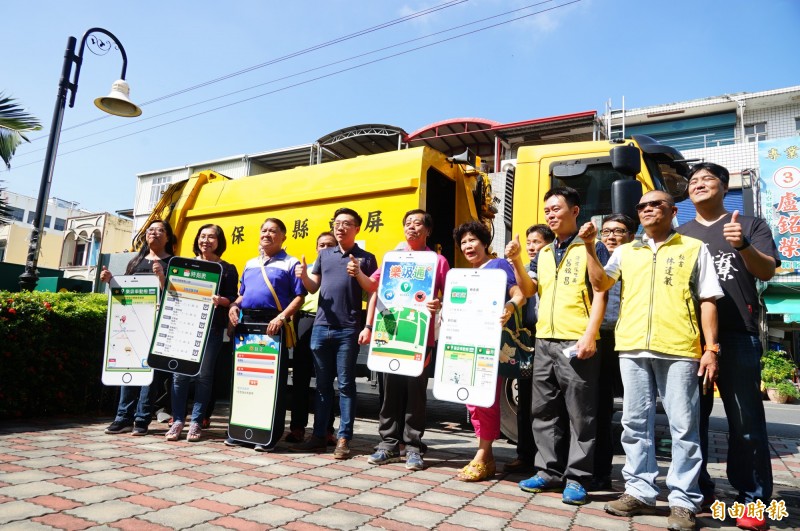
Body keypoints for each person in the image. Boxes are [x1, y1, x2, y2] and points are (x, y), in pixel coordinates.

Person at [582, 190, 723, 531]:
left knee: (683, 427)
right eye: (641, 206)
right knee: (634, 424)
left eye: (654, 204)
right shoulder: (627, 251)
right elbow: (600, 283)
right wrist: (589, 247)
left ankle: (683, 501)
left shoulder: (692, 248)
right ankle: (640, 492)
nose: (646, 210)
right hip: (631, 346)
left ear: (672, 210)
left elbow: (708, 299)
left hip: (678, 347)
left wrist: (711, 348)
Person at [677, 162, 779, 531]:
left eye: (707, 179)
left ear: (724, 186)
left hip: (737, 334)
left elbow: (767, 271)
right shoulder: (681, 234)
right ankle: (699, 490)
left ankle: (752, 501)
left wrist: (743, 245)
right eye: (693, 181)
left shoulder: (750, 225)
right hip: (687, 340)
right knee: (690, 421)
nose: (698, 184)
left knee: (745, 421)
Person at [517, 187, 608, 506]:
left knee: (580, 414)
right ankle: (548, 472)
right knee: (543, 409)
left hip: (576, 339)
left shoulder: (590, 246)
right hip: (545, 338)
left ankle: (578, 477)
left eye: (557, 208)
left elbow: (601, 291)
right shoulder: (542, 254)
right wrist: (516, 260)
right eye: (547, 211)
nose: (551, 215)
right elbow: (529, 290)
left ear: (575, 211)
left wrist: (589, 334)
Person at [361, 209, 449, 471]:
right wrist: (356, 273)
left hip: (420, 336)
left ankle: (413, 447)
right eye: (408, 223)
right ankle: (388, 445)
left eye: (418, 223)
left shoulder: (437, 260)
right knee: (390, 393)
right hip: (389, 333)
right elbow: (372, 287)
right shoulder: (392, 259)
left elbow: (451, 292)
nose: (412, 227)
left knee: (415, 394)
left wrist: (439, 303)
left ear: (428, 230)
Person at [294, 208, 378, 459]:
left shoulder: (366, 257)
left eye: (346, 224)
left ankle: (344, 438)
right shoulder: (325, 255)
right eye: (337, 223)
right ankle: (319, 435)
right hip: (321, 327)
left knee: (346, 385)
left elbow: (373, 290)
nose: (340, 228)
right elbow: (312, 288)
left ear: (357, 229)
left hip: (348, 328)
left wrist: (368, 326)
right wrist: (303, 275)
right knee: (321, 384)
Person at [451, 221, 525, 482]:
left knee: (485, 398)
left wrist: (509, 308)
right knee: (473, 400)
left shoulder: (499, 266)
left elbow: (519, 294)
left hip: (491, 345)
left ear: (484, 242)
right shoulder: (465, 274)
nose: (468, 246)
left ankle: (483, 454)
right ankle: (487, 456)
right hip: (468, 343)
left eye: (472, 240)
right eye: (463, 242)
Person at [226, 218, 306, 451]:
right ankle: (241, 431)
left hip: (273, 325)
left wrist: (282, 318)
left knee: (271, 383)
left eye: (273, 231)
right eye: (263, 230)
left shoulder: (290, 263)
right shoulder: (250, 263)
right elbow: (243, 294)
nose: (267, 234)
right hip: (247, 324)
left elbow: (299, 297)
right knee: (244, 379)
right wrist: (234, 306)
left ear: (283, 237)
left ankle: (269, 435)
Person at [164, 224, 238, 442]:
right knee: (179, 376)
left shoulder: (228, 268)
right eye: (203, 236)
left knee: (204, 376)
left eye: (211, 237)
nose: (206, 240)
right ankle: (178, 420)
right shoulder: (183, 265)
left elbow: (233, 298)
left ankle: (196, 422)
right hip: (183, 326)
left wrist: (223, 301)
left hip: (212, 328)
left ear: (219, 241)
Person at [102, 219, 175, 436]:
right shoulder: (136, 262)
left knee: (150, 374)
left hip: (157, 327)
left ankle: (142, 419)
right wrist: (110, 281)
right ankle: (122, 417)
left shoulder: (173, 262)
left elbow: (175, 296)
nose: (154, 233)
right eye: (151, 230)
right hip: (133, 327)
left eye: (160, 230)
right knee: (130, 369)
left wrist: (162, 278)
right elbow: (124, 294)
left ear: (168, 237)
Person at [502, 224, 553, 474]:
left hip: (547, 340)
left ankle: (547, 459)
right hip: (525, 342)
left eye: (538, 242)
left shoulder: (552, 267)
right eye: (530, 242)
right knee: (525, 402)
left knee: (546, 404)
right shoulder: (525, 270)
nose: (532, 247)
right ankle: (524, 454)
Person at [591, 213, 636, 490]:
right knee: (596, 407)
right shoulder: (594, 260)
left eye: (618, 231)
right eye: (606, 231)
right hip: (599, 337)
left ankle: (621, 473)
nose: (610, 236)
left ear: (631, 235)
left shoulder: (636, 260)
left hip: (627, 339)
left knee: (628, 411)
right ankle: (597, 470)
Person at [285, 231, 338, 445]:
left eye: (330, 245)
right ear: (316, 248)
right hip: (306, 321)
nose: (325, 248)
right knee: (300, 378)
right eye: (321, 245)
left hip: (331, 324)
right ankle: (297, 428)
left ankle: (326, 429)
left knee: (326, 381)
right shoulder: (306, 270)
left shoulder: (340, 267)